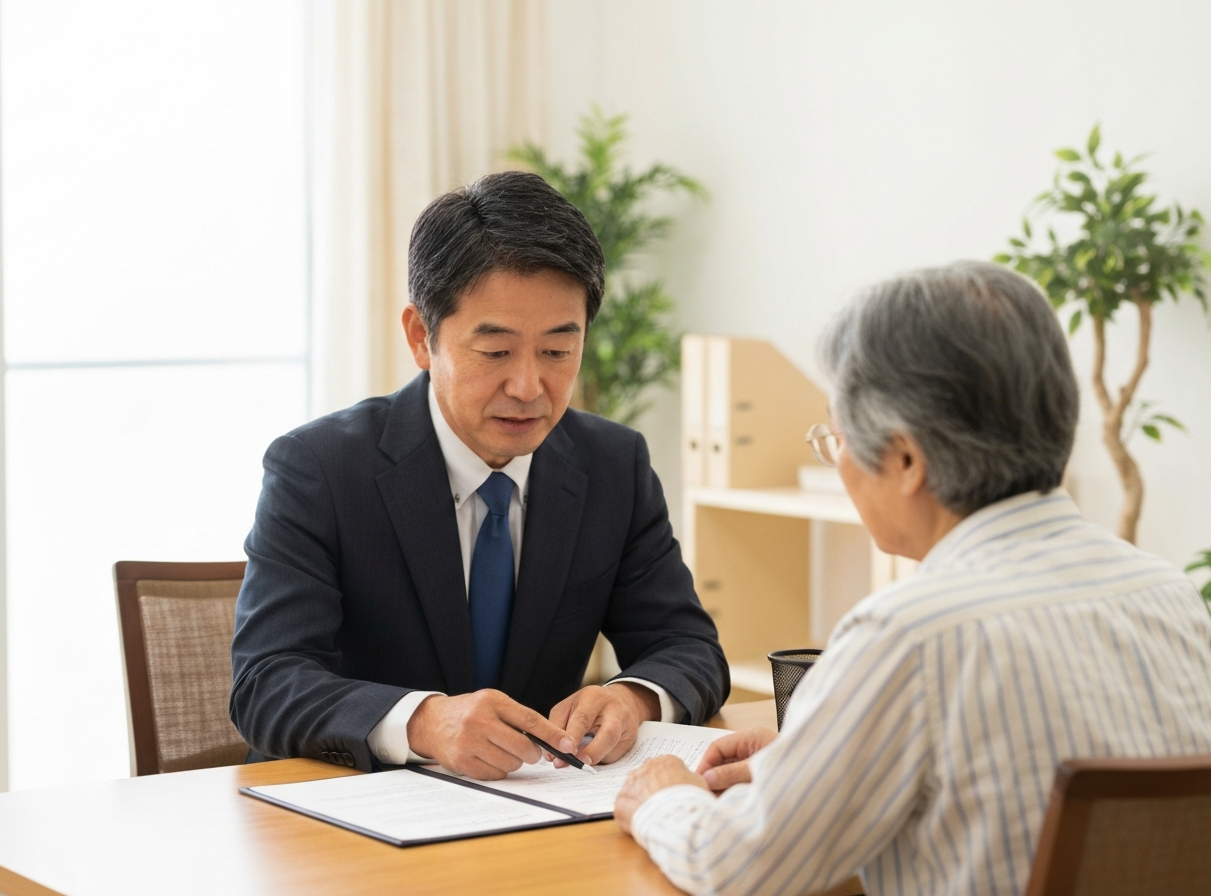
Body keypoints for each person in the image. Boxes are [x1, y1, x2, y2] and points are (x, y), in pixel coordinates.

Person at [614, 261, 1211, 895]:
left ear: (905, 459)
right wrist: (807, 765)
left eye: (837, 437)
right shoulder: (1171, 596)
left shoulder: (908, 634)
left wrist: (663, 796)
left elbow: (739, 867)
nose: (839, 462)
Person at [230, 170, 729, 781]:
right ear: (422, 337)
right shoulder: (320, 469)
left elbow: (688, 647)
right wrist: (422, 722)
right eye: (495, 352)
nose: (528, 387)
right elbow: (266, 680)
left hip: (536, 809)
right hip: (356, 808)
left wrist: (634, 697)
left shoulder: (611, 465)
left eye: (557, 351)